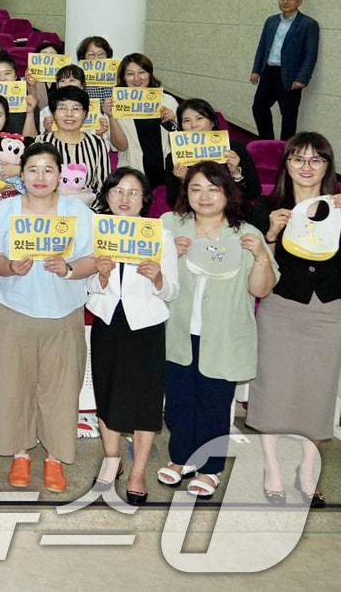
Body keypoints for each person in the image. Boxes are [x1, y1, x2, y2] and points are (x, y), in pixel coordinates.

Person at [159, 161, 276, 498]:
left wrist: (262, 258)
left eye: (213, 189)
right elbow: (149, 272)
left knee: (214, 402)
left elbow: (261, 290)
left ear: (228, 192)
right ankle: (180, 459)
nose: (204, 196)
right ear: (186, 192)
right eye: (195, 188)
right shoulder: (169, 224)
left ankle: (210, 468)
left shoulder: (247, 234)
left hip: (224, 336)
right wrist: (168, 254)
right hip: (177, 332)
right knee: (178, 401)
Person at [0, 142, 96, 493]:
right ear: (22, 173)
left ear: (60, 174)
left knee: (61, 389)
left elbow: (94, 259)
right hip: (15, 311)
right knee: (12, 385)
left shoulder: (78, 213)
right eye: (32, 170)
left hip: (64, 313)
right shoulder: (3, 212)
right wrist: (9, 267)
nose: (40, 177)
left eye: (48, 170)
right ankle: (20, 453)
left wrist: (68, 269)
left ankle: (55, 459)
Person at [247, 132, 341, 508]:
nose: (306, 167)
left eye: (315, 160)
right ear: (285, 164)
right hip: (282, 306)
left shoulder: (339, 206)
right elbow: (256, 267)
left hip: (330, 308)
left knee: (318, 388)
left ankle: (308, 465)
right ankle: (271, 465)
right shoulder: (266, 206)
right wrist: (270, 233)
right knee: (274, 384)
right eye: (298, 159)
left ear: (327, 166)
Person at [85, 168, 179, 505]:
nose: (124, 199)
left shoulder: (161, 236)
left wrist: (157, 280)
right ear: (107, 196)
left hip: (146, 325)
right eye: (118, 191)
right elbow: (87, 288)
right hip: (108, 321)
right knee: (107, 392)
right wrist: (102, 276)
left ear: (144, 200)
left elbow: (172, 290)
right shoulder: (96, 234)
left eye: (133, 192)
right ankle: (112, 461)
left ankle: (138, 470)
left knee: (145, 400)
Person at [250, 0, 320, 140]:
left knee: (288, 116)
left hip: (291, 76)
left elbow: (311, 54)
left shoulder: (308, 24)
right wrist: (256, 70)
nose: (286, 2)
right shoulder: (271, 21)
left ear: (299, 1)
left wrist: (302, 78)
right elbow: (262, 47)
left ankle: (286, 150)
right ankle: (267, 143)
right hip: (269, 71)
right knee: (259, 108)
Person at [164, 98, 260, 206]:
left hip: (233, 213)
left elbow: (253, 193)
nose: (193, 125)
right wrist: (184, 181)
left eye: (199, 118)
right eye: (187, 121)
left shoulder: (234, 149)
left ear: (212, 123)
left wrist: (235, 173)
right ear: (181, 127)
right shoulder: (175, 157)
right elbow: (173, 203)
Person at [36, 86, 113, 199]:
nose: (69, 114)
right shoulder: (42, 142)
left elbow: (103, 187)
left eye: (76, 109)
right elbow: (36, 183)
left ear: (85, 113)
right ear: (53, 113)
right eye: (62, 108)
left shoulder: (98, 143)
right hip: (50, 211)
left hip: (88, 211)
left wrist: (89, 212)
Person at [114, 53, 177, 189]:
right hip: (133, 172)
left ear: (150, 74)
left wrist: (174, 122)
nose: (137, 79)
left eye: (142, 72)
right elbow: (121, 146)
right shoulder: (118, 105)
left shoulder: (167, 101)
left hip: (166, 172)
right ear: (124, 78)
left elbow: (181, 140)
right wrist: (111, 116)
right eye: (130, 74)